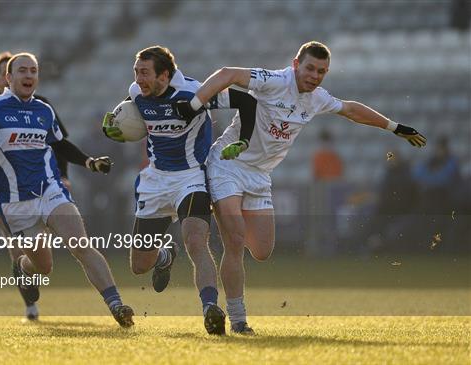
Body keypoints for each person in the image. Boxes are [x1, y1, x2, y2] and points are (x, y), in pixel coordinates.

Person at [173, 41, 427, 333]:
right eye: (310, 68)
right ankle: (238, 319)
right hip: (227, 164)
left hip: (260, 175)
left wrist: (394, 127)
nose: (315, 75)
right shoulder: (274, 80)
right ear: (296, 64)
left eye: (322, 71)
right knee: (235, 240)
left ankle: (211, 245)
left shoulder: (317, 98)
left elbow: (351, 110)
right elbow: (227, 73)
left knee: (262, 251)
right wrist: (194, 104)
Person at [0, 52, 134, 328]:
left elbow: (60, 145)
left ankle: (116, 304)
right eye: (22, 71)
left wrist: (89, 162)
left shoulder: (44, 110)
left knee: (80, 245)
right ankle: (22, 267)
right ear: (8, 78)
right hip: (15, 203)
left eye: (33, 71)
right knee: (43, 267)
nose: (28, 76)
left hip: (51, 191)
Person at [102, 46, 257, 335]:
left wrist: (245, 141)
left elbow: (247, 103)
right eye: (136, 72)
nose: (138, 78)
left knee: (196, 241)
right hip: (154, 183)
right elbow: (127, 110)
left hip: (190, 178)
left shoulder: (193, 94)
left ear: (165, 75)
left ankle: (210, 308)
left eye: (144, 72)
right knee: (139, 266)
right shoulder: (137, 91)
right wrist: (113, 126)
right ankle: (163, 255)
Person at [0, 51, 71, 320]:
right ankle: (30, 307)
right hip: (1, 188)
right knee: (16, 246)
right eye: (2, 75)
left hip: (39, 186)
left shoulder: (41, 105)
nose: (7, 79)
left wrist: (65, 173)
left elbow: (59, 144)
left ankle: (28, 272)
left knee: (39, 249)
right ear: (1, 79)